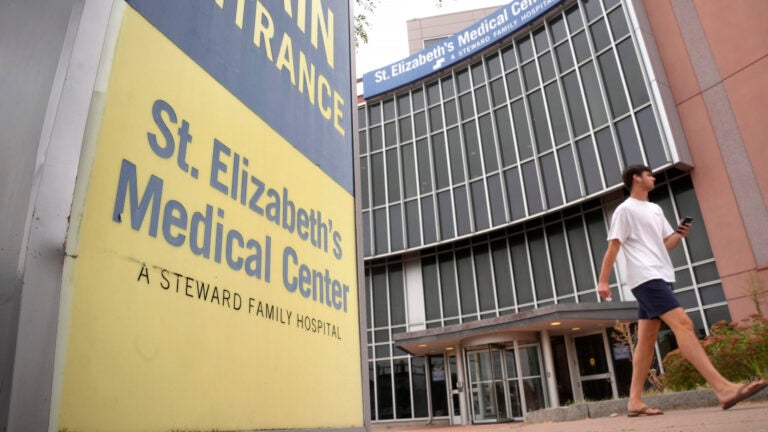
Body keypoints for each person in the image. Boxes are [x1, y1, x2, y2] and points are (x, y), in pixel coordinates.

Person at [597, 165, 767, 417]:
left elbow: (666, 243)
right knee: (684, 324)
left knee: (645, 342)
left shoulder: (655, 209)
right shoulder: (625, 210)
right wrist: (603, 281)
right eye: (649, 174)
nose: (653, 177)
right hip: (645, 277)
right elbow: (614, 246)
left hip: (661, 275)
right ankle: (723, 388)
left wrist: (679, 233)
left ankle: (633, 401)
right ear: (636, 177)